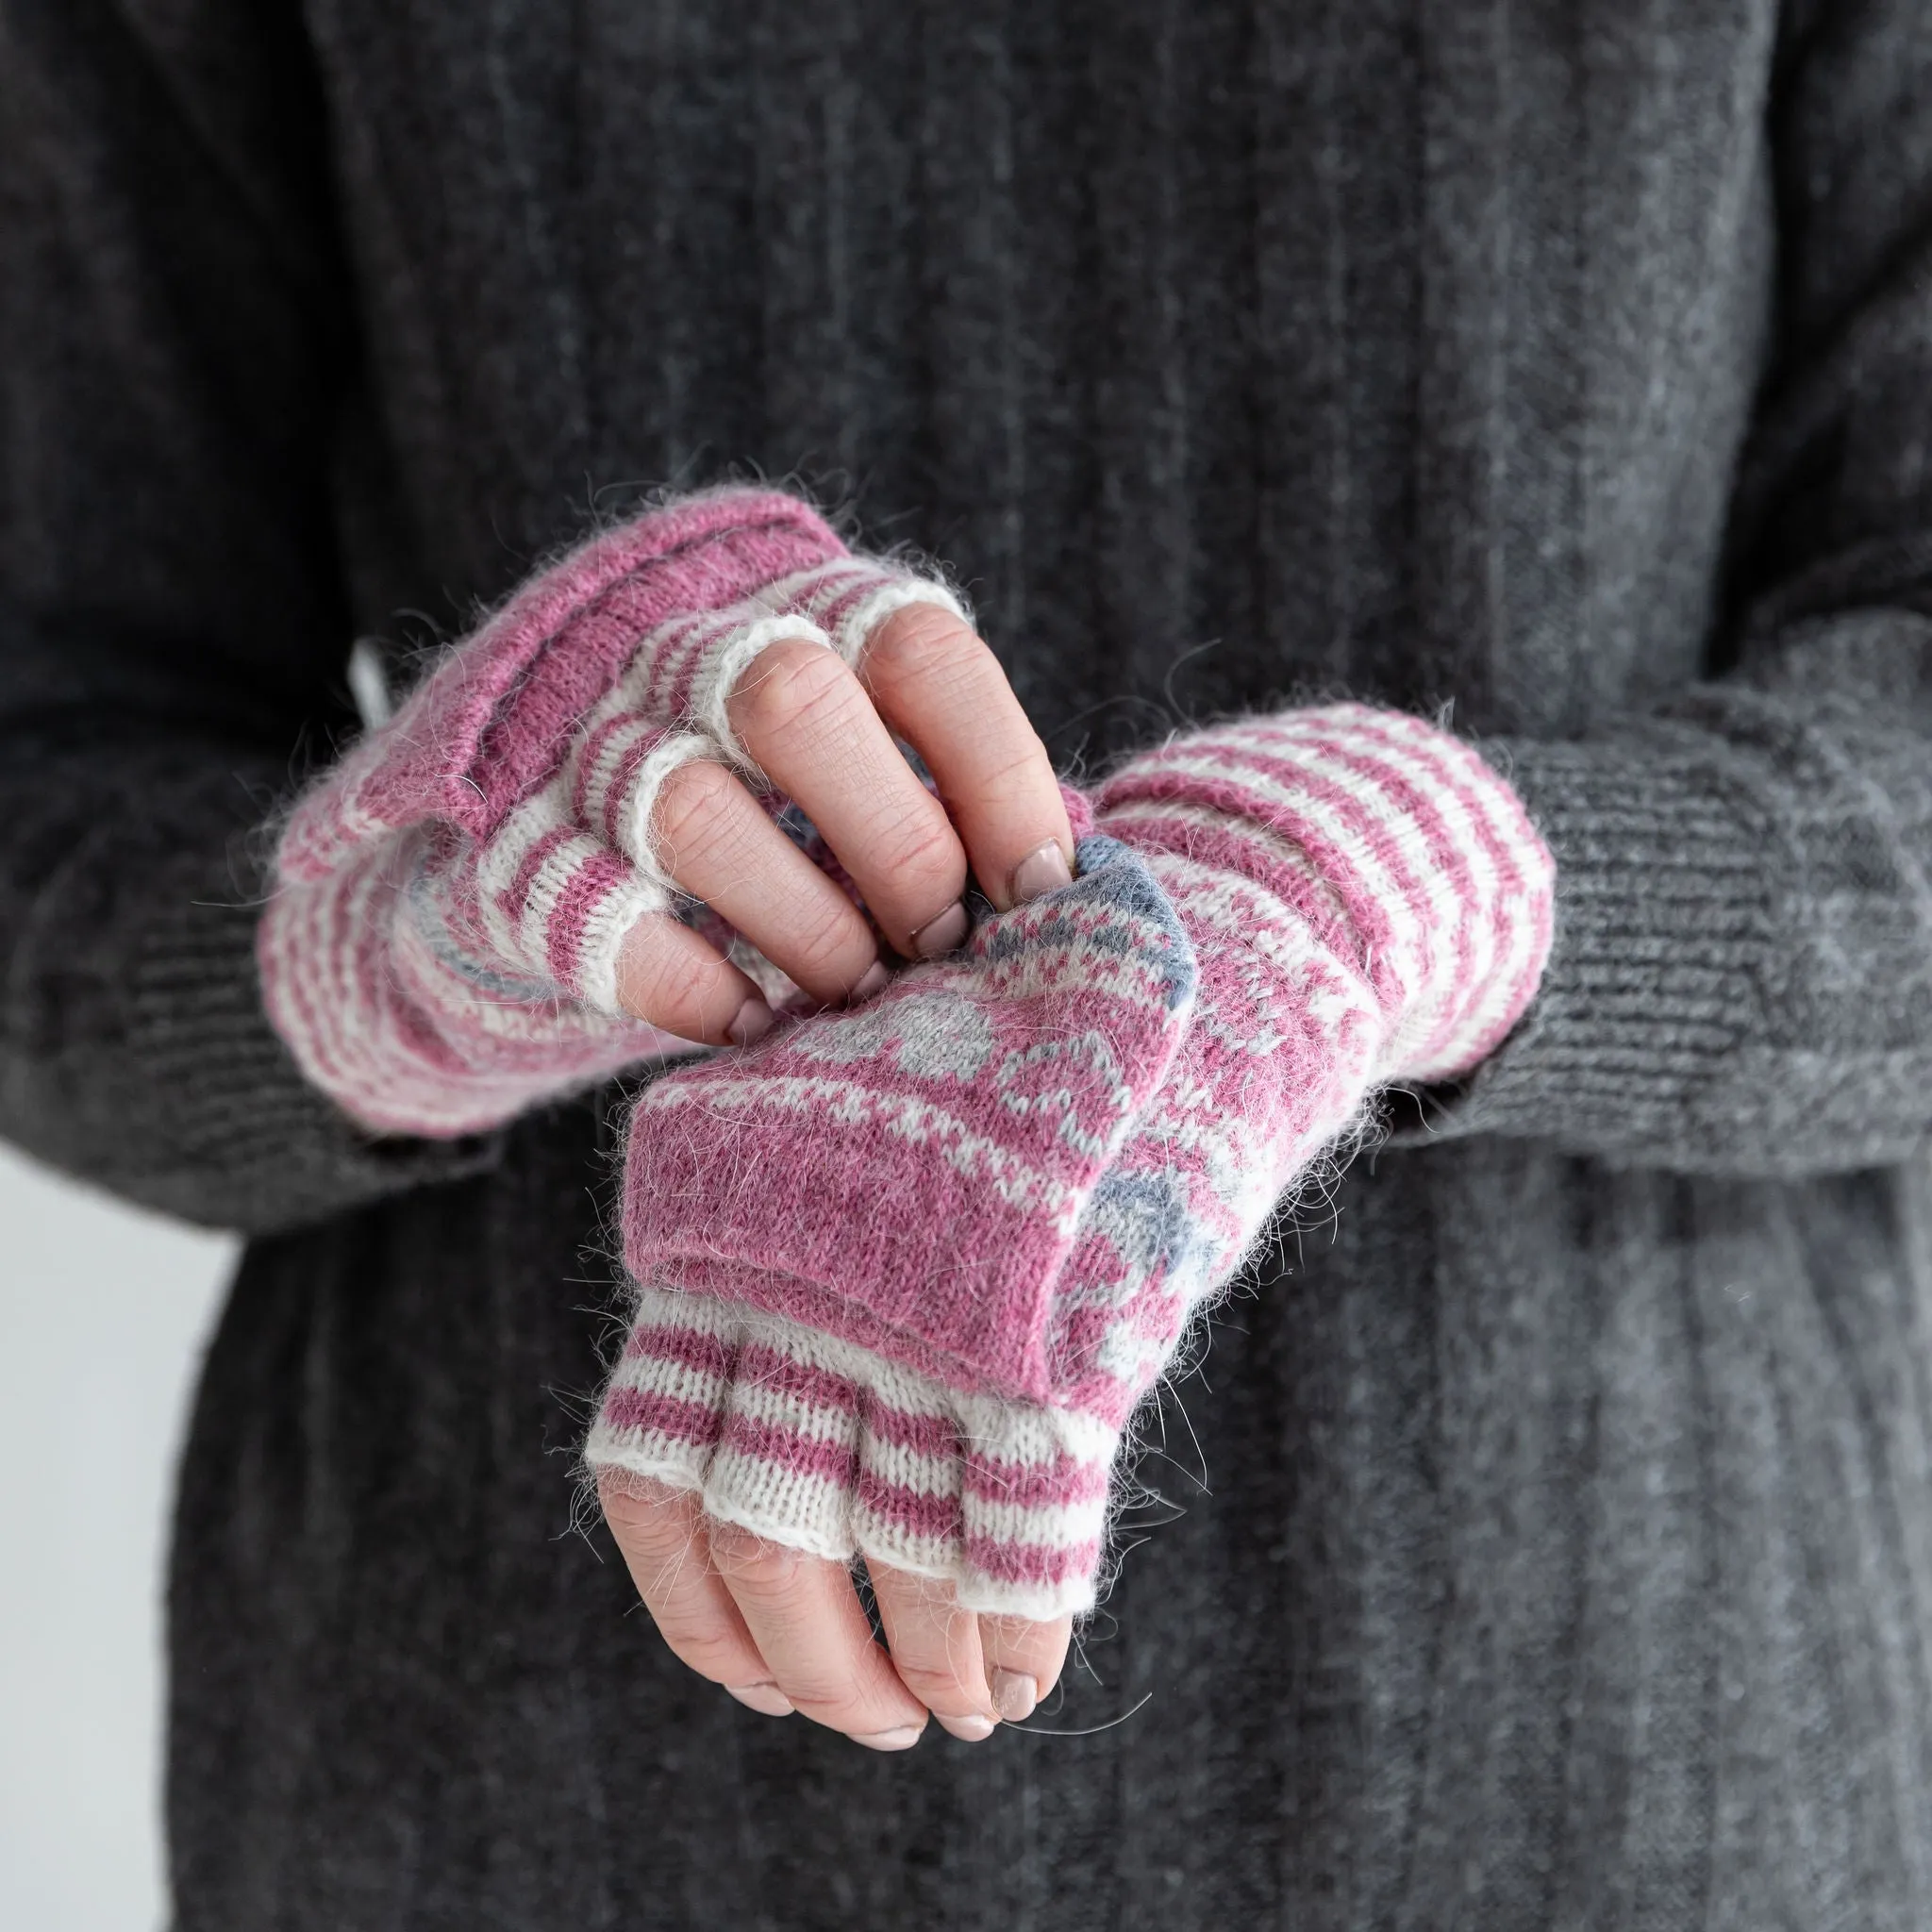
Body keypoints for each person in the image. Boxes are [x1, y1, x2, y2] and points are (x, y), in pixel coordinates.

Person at [3, 0, 1930, 1924]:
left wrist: (1416, 878)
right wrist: (412, 945)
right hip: (516, 1788)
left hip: (1624, 1784)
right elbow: (50, 794)